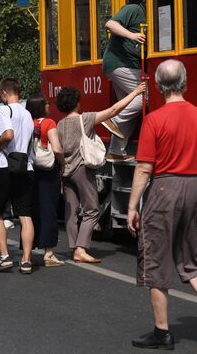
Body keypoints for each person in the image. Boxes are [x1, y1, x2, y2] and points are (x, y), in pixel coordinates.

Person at [126, 60, 197, 349]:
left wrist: (133, 205)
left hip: (164, 188)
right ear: (185, 83)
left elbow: (145, 167)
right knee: (191, 256)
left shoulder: (155, 119)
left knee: (156, 260)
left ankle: (162, 332)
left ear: (159, 86)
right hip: (193, 187)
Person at [56, 81, 145, 263]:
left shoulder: (59, 125)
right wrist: (135, 92)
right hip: (82, 170)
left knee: (71, 211)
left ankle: (74, 247)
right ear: (77, 102)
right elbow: (113, 111)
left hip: (66, 172)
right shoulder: (85, 119)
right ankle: (81, 248)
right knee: (92, 210)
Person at [0, 78, 35, 274]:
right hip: (26, 167)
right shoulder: (28, 113)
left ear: (4, 94)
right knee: (25, 214)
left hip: (5, 165)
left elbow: (7, 134)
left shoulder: (5, 110)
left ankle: (4, 256)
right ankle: (26, 260)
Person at [101, 2, 147, 162]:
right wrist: (132, 35)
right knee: (147, 96)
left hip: (125, 65)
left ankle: (115, 151)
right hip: (121, 64)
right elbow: (110, 24)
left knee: (127, 106)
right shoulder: (134, 9)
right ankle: (112, 119)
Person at [25, 93, 65, 267]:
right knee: (49, 210)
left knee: (32, 210)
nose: (49, 106)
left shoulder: (27, 123)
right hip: (48, 172)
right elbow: (56, 148)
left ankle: (29, 250)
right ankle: (49, 253)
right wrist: (63, 164)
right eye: (46, 104)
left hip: (29, 169)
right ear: (41, 107)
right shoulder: (49, 123)